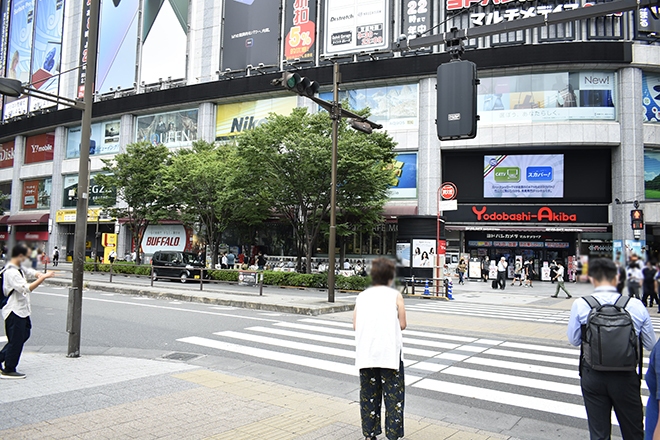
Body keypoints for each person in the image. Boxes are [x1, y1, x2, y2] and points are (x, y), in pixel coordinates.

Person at [567, 258, 656, 440]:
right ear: (617, 278)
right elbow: (651, 345)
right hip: (626, 376)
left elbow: (574, 340)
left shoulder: (581, 304)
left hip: (593, 375)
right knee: (633, 430)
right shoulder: (635, 305)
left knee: (599, 433)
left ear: (592, 278)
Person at [353, 258, 406, 440]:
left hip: (366, 353)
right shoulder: (396, 296)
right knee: (393, 397)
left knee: (368, 395)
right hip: (389, 353)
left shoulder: (362, 296)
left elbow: (355, 324)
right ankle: (392, 435)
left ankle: (369, 434)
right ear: (390, 277)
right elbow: (403, 324)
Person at [0, 245, 55, 379]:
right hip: (14, 310)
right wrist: (43, 278)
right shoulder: (11, 272)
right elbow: (26, 288)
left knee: (24, 334)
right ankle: (9, 368)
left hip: (22, 310)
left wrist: (38, 274)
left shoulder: (18, 267)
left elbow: (29, 271)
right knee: (16, 340)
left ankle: (2, 357)